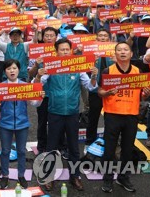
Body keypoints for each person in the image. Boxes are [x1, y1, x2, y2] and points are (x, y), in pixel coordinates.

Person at [35, 38, 98, 191]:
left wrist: (94, 76)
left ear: (71, 50)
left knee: (73, 147)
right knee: (51, 147)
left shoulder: (78, 67)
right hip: (54, 112)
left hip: (72, 113)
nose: (64, 52)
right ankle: (48, 176)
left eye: (66, 49)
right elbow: (37, 84)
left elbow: (90, 86)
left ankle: (75, 176)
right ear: (56, 51)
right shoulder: (50, 66)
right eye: (61, 49)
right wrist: (38, 75)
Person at [98, 42, 150, 193]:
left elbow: (142, 94)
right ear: (115, 54)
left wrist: (146, 93)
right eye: (119, 50)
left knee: (127, 150)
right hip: (112, 114)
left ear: (131, 54)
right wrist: (107, 93)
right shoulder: (108, 70)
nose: (122, 52)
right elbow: (100, 91)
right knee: (109, 149)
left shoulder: (138, 71)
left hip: (131, 115)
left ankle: (123, 177)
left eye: (125, 50)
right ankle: (107, 179)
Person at [0, 59, 41, 190]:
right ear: (5, 71)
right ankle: (5, 175)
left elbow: (34, 104)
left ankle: (21, 175)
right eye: (9, 69)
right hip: (5, 124)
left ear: (18, 70)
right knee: (5, 151)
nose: (12, 71)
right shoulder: (1, 87)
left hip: (22, 124)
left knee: (22, 151)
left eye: (14, 68)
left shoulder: (25, 86)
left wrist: (39, 97)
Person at [86, 28, 114, 146]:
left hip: (110, 88)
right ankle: (89, 142)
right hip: (96, 88)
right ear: (96, 38)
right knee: (93, 116)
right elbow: (84, 69)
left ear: (109, 38)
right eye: (100, 36)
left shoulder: (114, 50)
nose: (102, 38)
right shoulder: (90, 51)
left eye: (105, 36)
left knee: (111, 118)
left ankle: (109, 143)